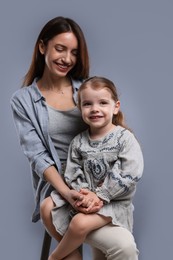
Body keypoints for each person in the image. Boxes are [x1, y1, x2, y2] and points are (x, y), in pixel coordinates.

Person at [10, 16, 143, 260]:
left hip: (100, 181)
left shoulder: (86, 89)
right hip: (58, 186)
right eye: (60, 49)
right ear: (42, 47)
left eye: (74, 52)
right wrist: (69, 191)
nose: (67, 59)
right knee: (59, 221)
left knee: (113, 245)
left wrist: (99, 193)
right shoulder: (23, 100)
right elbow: (37, 156)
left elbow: (108, 133)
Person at [47, 76, 144, 260]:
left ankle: (54, 257)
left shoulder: (124, 138)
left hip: (115, 206)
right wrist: (86, 197)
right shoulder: (78, 142)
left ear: (115, 107)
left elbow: (129, 172)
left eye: (103, 103)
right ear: (80, 108)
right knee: (62, 213)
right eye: (87, 104)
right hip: (88, 205)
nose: (95, 109)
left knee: (79, 223)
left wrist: (100, 196)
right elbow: (72, 173)